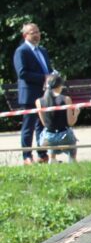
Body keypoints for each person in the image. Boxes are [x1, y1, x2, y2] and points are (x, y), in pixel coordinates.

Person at [13, 22, 52, 164]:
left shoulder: (43, 51)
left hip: (44, 94)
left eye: (38, 31)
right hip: (29, 94)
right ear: (25, 35)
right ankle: (27, 157)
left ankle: (42, 154)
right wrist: (43, 78)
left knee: (42, 125)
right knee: (28, 127)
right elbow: (22, 73)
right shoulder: (21, 51)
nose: (36, 35)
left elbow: (48, 70)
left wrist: (52, 76)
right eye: (32, 32)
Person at [35, 72, 79, 162]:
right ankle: (72, 159)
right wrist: (76, 113)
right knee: (69, 135)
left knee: (49, 132)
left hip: (48, 138)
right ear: (60, 85)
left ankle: (52, 159)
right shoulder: (66, 99)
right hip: (65, 136)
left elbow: (45, 124)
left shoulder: (39, 101)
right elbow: (71, 122)